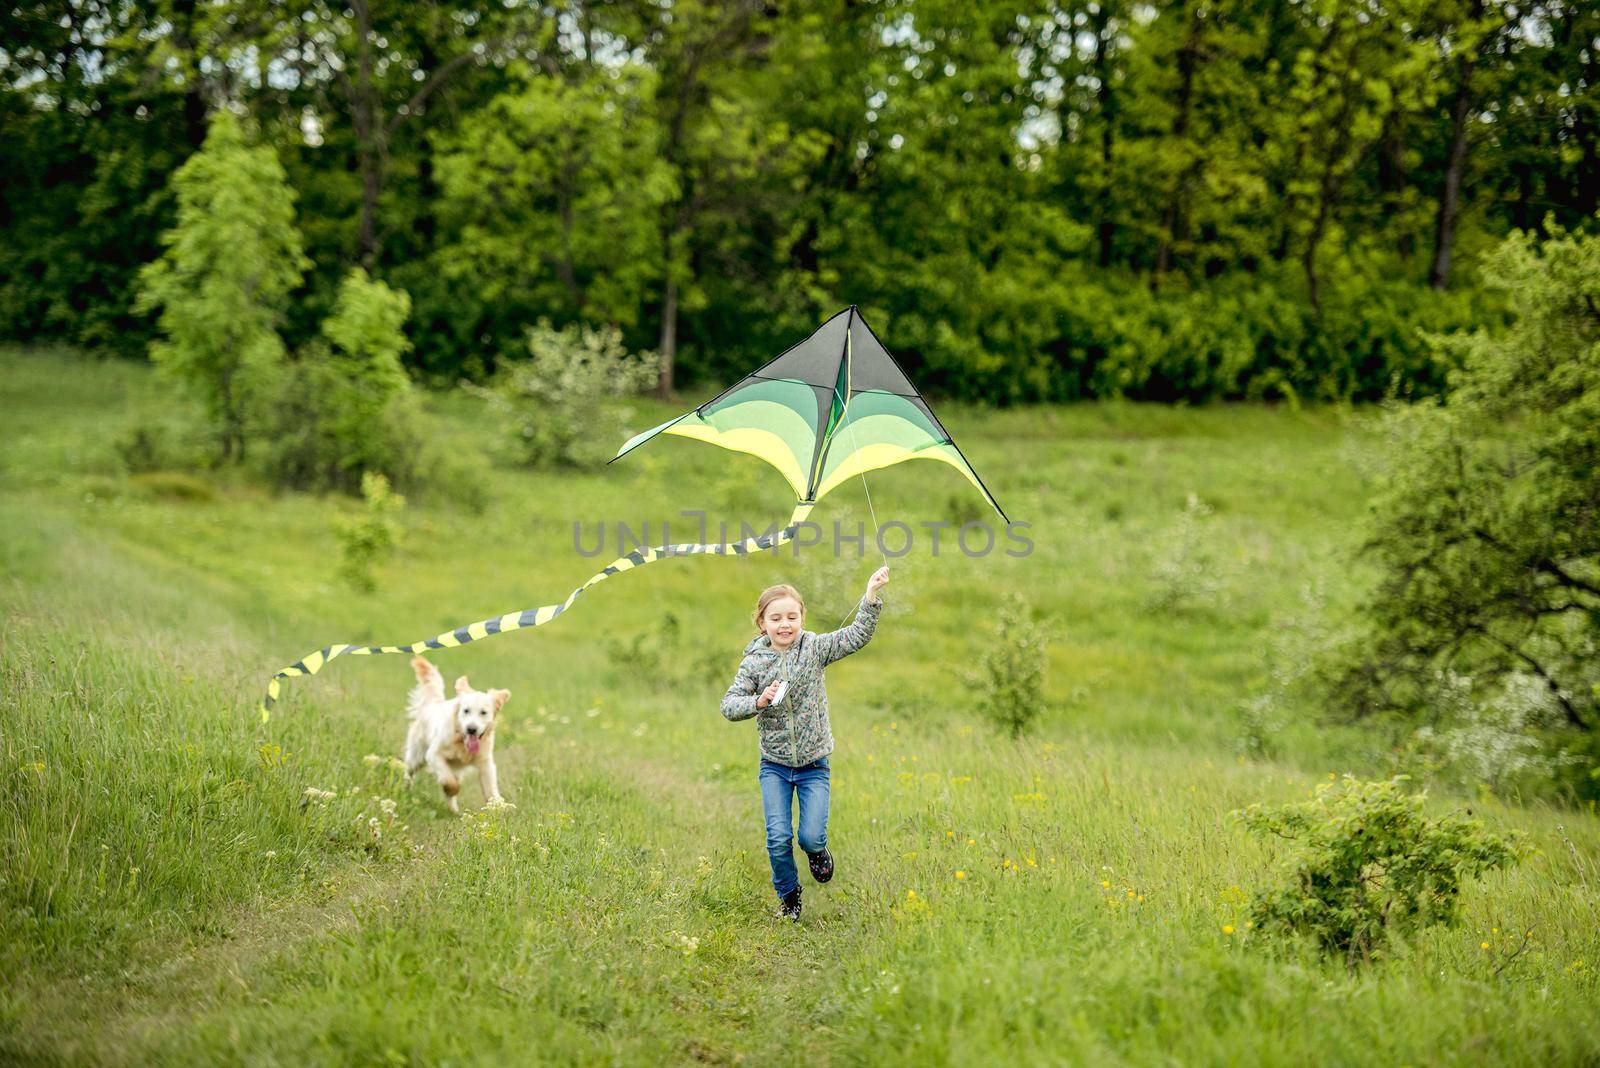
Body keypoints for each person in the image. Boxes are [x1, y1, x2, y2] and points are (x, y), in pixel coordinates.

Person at [720, 565, 891, 921]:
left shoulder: (814, 648)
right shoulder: (754, 663)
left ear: (801, 618)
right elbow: (728, 705)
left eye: (792, 617)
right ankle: (789, 896)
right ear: (762, 623)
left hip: (814, 765)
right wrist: (758, 702)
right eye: (776, 618)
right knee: (778, 837)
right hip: (775, 766)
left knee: (809, 837)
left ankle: (817, 852)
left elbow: (856, 635)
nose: (785, 625)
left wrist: (871, 595)